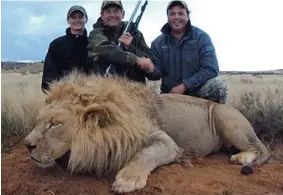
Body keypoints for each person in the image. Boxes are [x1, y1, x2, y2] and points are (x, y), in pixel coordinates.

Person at [143, 0, 228, 104]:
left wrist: (184, 86)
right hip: (169, 95)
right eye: (172, 14)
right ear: (167, 17)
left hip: (197, 92)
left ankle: (213, 118)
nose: (176, 17)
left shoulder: (202, 37)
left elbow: (211, 69)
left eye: (181, 13)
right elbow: (156, 74)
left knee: (218, 87)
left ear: (188, 16)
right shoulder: (157, 43)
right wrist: (150, 70)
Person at [87, 0, 153, 83]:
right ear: (102, 15)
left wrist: (130, 47)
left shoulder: (136, 33)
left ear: (123, 14)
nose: (112, 15)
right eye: (108, 11)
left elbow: (149, 61)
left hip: (135, 89)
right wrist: (135, 59)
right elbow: (104, 50)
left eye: (116, 11)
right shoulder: (96, 33)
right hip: (105, 88)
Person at [41, 5, 90, 93]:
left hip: (90, 93)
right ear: (68, 20)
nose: (77, 20)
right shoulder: (57, 44)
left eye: (80, 17)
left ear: (86, 19)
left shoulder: (93, 43)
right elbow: (49, 74)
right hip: (64, 95)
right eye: (73, 17)